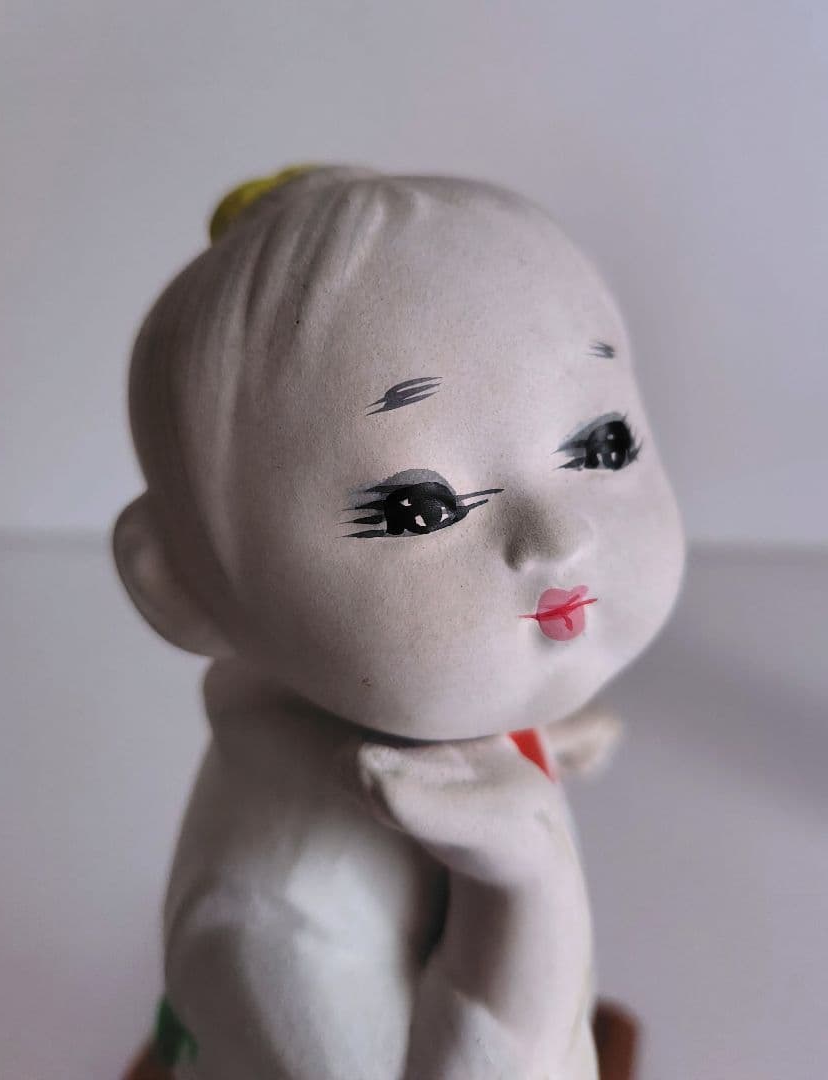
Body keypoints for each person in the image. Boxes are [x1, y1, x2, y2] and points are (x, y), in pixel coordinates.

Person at [114, 166, 684, 1079]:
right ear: (183, 584)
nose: (559, 538)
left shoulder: (421, 706)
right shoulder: (275, 916)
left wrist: (538, 743)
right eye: (419, 508)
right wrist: (523, 892)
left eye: (601, 444)